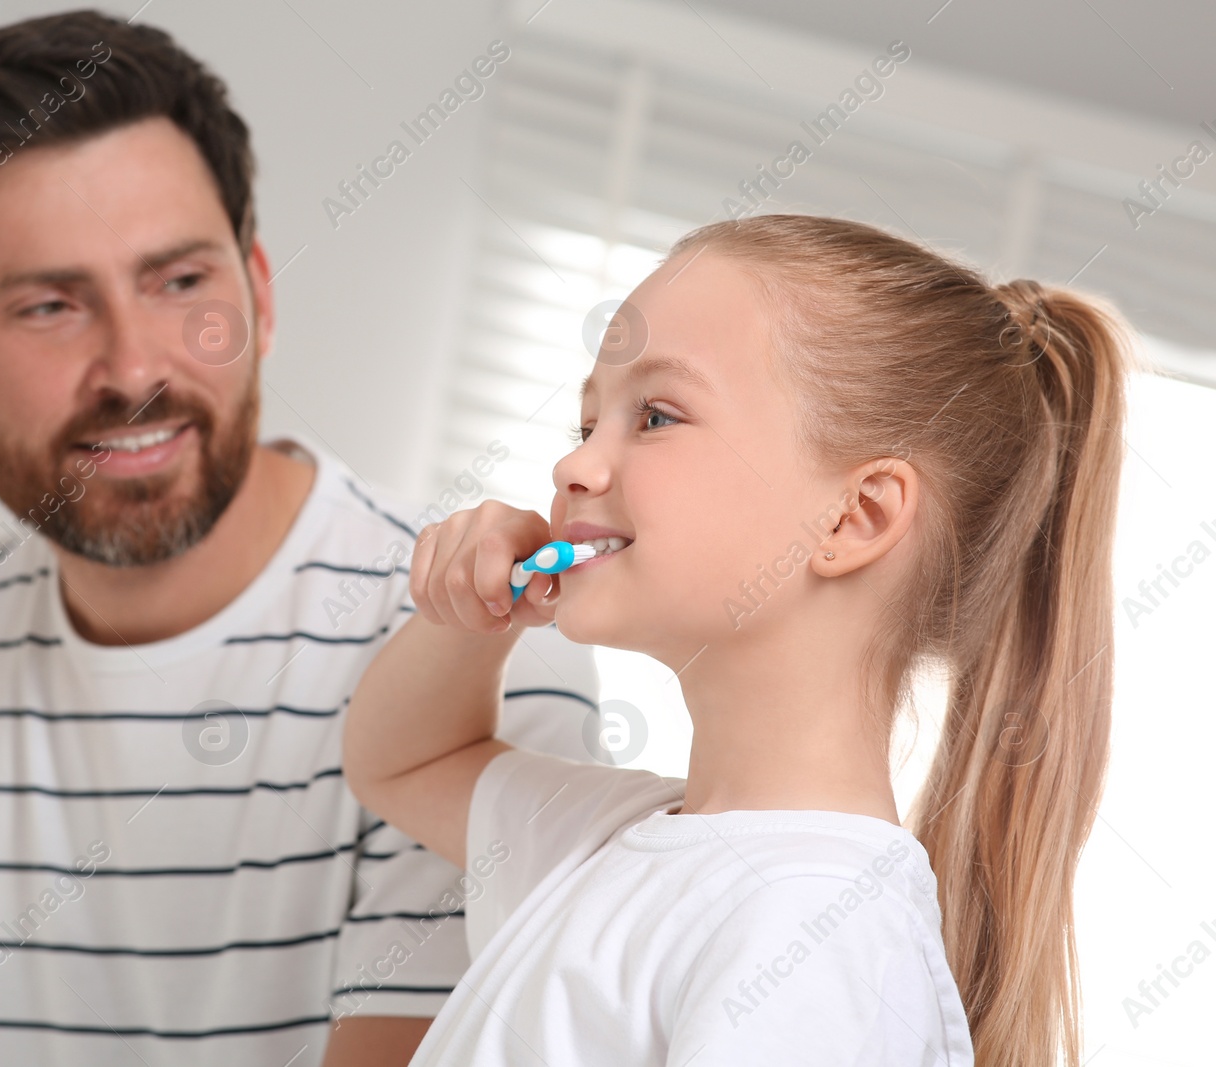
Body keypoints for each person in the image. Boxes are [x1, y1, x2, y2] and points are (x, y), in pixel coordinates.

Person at [0, 11, 601, 1066]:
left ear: (259, 294)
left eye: (180, 282)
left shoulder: (479, 639)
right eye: (51, 304)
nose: (134, 366)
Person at [345, 213, 1141, 1065]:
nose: (573, 468)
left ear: (856, 514)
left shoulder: (815, 931)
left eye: (654, 415)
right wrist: (469, 618)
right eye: (587, 425)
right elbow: (401, 761)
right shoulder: (615, 835)